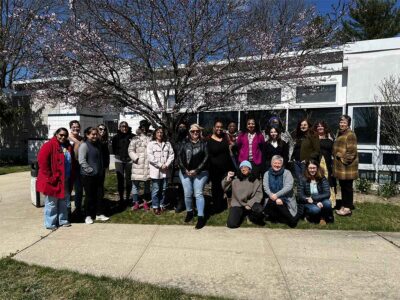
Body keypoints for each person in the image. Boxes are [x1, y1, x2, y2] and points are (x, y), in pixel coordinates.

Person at [37, 128, 76, 229]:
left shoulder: (68, 146)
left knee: (63, 201)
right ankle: (50, 223)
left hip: (65, 179)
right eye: (61, 135)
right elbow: (42, 162)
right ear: (56, 134)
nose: (63, 137)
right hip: (53, 179)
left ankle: (62, 220)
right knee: (52, 202)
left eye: (65, 135)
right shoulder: (49, 145)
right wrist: (50, 177)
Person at [178, 123, 209, 229]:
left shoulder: (204, 143)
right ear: (189, 132)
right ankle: (190, 212)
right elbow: (179, 158)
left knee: (198, 193)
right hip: (185, 172)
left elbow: (206, 158)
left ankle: (201, 217)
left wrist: (197, 170)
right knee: (187, 193)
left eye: (197, 131)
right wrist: (184, 169)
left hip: (201, 172)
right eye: (193, 131)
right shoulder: (184, 143)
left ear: (200, 132)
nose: (195, 133)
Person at [79, 127, 109, 224]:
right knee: (89, 196)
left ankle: (99, 214)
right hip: (88, 176)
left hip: (98, 175)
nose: (95, 136)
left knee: (99, 195)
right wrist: (90, 170)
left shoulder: (98, 145)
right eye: (92, 134)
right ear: (87, 135)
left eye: (96, 134)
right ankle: (88, 215)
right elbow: (82, 161)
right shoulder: (84, 145)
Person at [222, 160, 264, 228]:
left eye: (245, 167)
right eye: (241, 167)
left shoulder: (255, 181)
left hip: (250, 204)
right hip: (237, 204)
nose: (243, 169)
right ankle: (242, 214)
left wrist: (249, 204)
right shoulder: (235, 179)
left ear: (250, 169)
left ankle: (250, 216)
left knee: (259, 210)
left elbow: (258, 195)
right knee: (231, 224)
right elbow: (225, 187)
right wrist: (228, 178)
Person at [333, 115, 358, 217]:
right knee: (343, 187)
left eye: (344, 122)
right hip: (341, 167)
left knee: (347, 187)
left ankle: (347, 209)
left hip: (348, 167)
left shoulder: (350, 135)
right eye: (340, 122)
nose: (341, 124)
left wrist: (341, 157)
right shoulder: (340, 133)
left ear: (348, 124)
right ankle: (344, 205)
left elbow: (352, 153)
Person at [207, 120, 235, 213]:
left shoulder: (225, 138)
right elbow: (208, 156)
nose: (219, 129)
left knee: (226, 187)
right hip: (214, 169)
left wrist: (231, 168)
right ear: (214, 128)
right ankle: (217, 207)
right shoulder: (209, 140)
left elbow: (228, 153)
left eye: (221, 127)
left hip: (225, 168)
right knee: (216, 189)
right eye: (217, 127)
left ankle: (227, 205)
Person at [263, 155, 298, 228]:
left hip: (285, 199)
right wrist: (273, 196)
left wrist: (277, 196)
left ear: (282, 164)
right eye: (275, 163)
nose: (277, 165)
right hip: (271, 198)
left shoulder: (287, 173)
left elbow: (288, 187)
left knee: (292, 221)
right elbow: (265, 187)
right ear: (271, 163)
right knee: (274, 203)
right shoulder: (267, 173)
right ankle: (279, 218)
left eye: (279, 163)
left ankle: (281, 218)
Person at [147, 127, 175, 215]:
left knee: (164, 189)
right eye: (158, 132)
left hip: (165, 170)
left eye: (161, 132)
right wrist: (160, 165)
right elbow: (150, 157)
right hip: (156, 171)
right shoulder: (151, 144)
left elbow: (171, 155)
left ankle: (161, 204)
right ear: (155, 134)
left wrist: (166, 164)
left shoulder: (167, 144)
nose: (160, 134)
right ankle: (155, 206)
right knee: (156, 189)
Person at [298, 160, 334, 225]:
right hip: (308, 202)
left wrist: (314, 199)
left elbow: (327, 193)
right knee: (315, 210)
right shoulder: (302, 178)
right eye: (310, 168)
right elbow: (300, 195)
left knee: (328, 203)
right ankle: (308, 216)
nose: (312, 170)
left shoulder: (322, 178)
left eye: (314, 168)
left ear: (317, 168)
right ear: (307, 169)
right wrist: (315, 202)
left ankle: (322, 218)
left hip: (319, 199)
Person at [128, 119, 152, 211]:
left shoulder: (150, 138)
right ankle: (136, 203)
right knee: (135, 185)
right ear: (140, 128)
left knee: (147, 185)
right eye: (143, 127)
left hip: (147, 166)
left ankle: (145, 203)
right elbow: (130, 150)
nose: (144, 129)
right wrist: (136, 158)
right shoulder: (135, 139)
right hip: (137, 165)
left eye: (146, 127)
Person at [112, 121, 135, 209]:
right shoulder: (115, 137)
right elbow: (113, 149)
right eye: (122, 126)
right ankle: (121, 198)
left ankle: (128, 197)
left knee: (129, 179)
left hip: (129, 160)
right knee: (120, 179)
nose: (124, 128)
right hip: (119, 160)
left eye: (125, 126)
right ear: (119, 127)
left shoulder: (132, 137)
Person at [313, 120, 336, 204]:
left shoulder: (330, 137)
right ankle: (316, 201)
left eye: (321, 126)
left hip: (327, 163)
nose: (320, 127)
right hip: (316, 162)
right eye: (318, 126)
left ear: (324, 127)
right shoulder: (313, 138)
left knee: (328, 181)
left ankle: (330, 202)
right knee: (316, 181)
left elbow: (334, 151)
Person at [291, 118, 320, 183]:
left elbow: (317, 151)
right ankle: (300, 193)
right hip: (296, 162)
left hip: (306, 163)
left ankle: (307, 193)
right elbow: (296, 148)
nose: (303, 126)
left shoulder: (313, 135)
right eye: (301, 125)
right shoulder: (298, 135)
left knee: (306, 181)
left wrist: (307, 160)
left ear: (308, 125)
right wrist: (293, 158)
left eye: (305, 125)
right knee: (299, 182)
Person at [68, 120, 83, 215]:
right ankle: (67, 209)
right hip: (69, 168)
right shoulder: (67, 138)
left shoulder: (82, 139)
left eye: (77, 127)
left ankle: (78, 208)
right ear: (71, 128)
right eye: (73, 127)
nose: (76, 128)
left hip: (78, 167)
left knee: (79, 189)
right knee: (68, 190)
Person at [97, 124, 110, 206]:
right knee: (97, 186)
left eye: (104, 129)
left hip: (103, 167)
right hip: (96, 167)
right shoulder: (96, 140)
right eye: (100, 129)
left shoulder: (104, 141)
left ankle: (100, 203)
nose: (103, 131)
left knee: (101, 185)